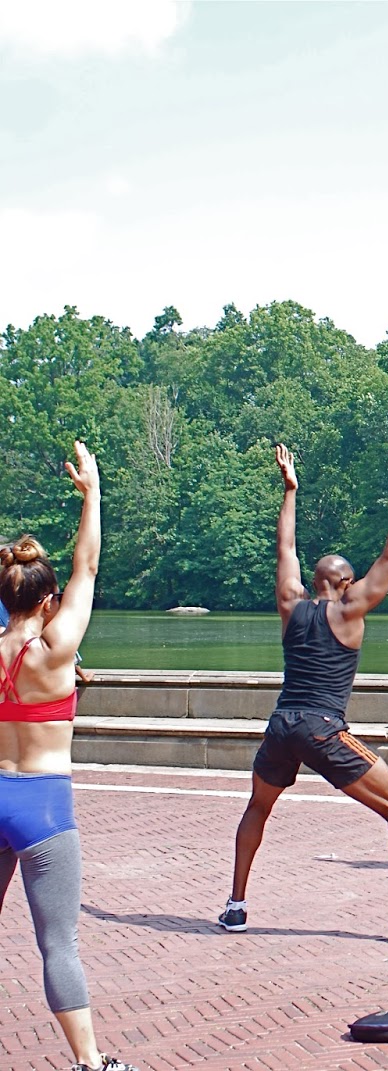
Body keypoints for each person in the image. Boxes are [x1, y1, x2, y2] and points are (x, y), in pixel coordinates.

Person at [221, 442, 388, 946]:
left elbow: (284, 549)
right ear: (347, 582)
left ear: (313, 581)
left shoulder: (290, 605)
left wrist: (290, 491)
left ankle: (235, 907)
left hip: (281, 724)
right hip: (322, 729)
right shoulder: (350, 611)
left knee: (257, 807)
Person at [0, 445, 139, 1071]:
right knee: (59, 945)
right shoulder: (55, 651)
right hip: (43, 806)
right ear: (46, 601)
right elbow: (88, 564)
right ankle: (89, 1061)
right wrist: (93, 493)